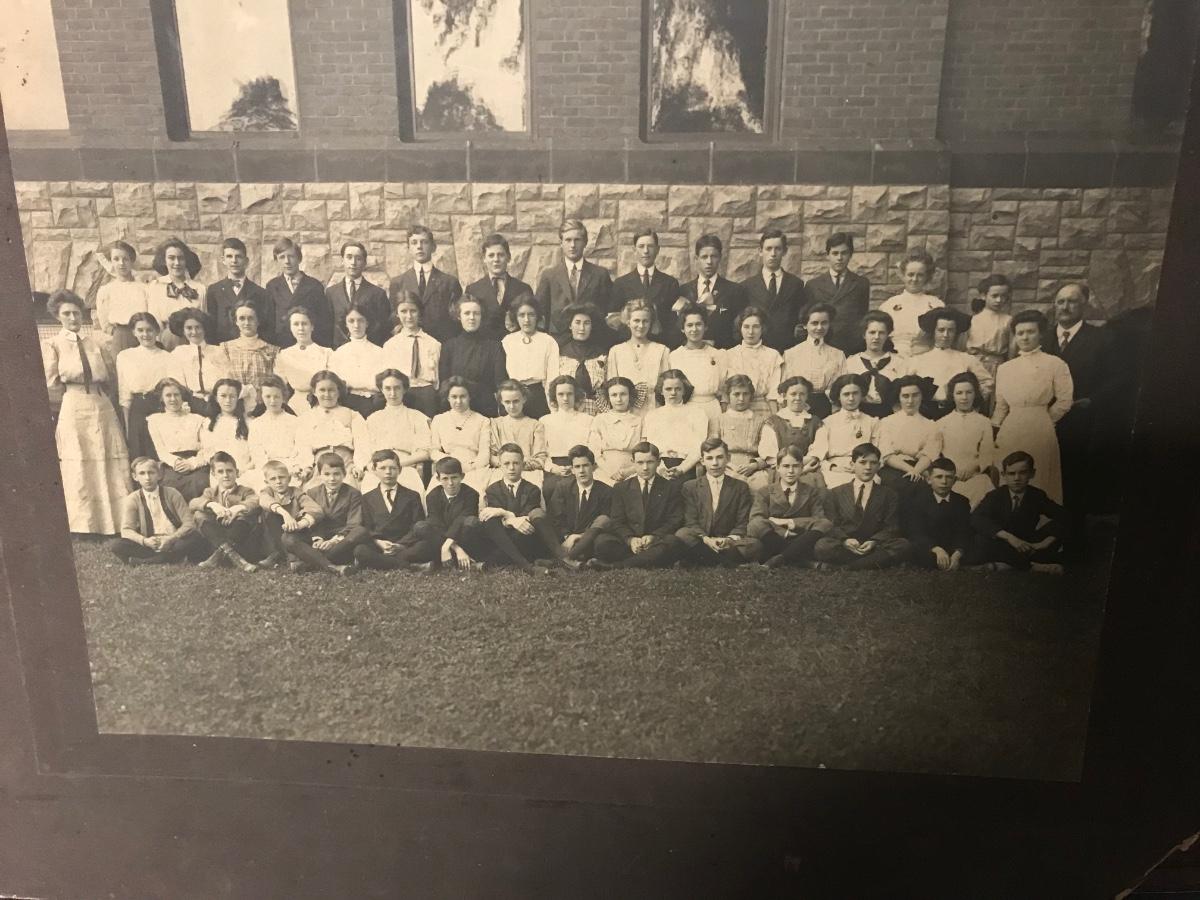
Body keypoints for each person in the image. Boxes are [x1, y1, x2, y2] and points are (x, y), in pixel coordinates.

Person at [43, 289, 130, 534]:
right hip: (74, 403)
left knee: (107, 456)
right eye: (67, 314)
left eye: (76, 313)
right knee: (80, 459)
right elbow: (51, 382)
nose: (73, 318)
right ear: (58, 316)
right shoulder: (52, 344)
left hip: (101, 404)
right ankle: (83, 524)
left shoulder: (96, 343)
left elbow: (110, 375)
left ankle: (117, 521)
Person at [1047, 282, 1114, 545]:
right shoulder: (1042, 336)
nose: (1065, 307)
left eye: (1072, 301)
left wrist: (1092, 400)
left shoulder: (1101, 338)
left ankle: (1071, 541)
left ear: (1085, 305)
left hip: (1079, 421)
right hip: (1043, 420)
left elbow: (1116, 378)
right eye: (1061, 301)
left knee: (1072, 479)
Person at [992, 309, 1073, 504]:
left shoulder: (1055, 364)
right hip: (1011, 429)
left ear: (1041, 334)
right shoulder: (1005, 369)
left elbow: (1064, 401)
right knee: (1010, 476)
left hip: (1040, 428)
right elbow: (1001, 406)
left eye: (1031, 332)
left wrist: (1045, 419)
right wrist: (993, 432)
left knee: (1039, 476)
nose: (1025, 337)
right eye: (1020, 333)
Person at [587, 441, 685, 570]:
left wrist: (654, 536)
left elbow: (674, 519)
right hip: (629, 543)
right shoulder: (621, 488)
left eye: (650, 462)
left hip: (656, 541)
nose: (645, 468)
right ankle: (647, 560)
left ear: (658, 462)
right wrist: (630, 540)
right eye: (640, 462)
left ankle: (617, 565)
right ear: (633, 462)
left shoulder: (670, 488)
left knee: (674, 543)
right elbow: (617, 520)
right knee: (602, 542)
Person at [813, 443, 911, 570]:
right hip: (846, 545)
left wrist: (874, 541)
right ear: (852, 464)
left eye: (873, 463)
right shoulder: (835, 493)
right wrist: (845, 540)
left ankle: (849, 566)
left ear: (879, 466)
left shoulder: (889, 494)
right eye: (863, 462)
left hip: (874, 545)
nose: (868, 467)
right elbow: (831, 524)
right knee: (822, 546)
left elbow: (891, 527)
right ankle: (872, 562)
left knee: (903, 545)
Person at [971, 451, 1066, 575]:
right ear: (1003, 475)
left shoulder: (1037, 495)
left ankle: (1009, 565)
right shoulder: (995, 496)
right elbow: (976, 518)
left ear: (1032, 473)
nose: (1016, 478)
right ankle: (1031, 566)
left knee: (1062, 525)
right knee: (981, 540)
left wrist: (1044, 543)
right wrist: (1010, 538)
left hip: (1028, 545)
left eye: (1023, 473)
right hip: (1003, 544)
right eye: (1011, 474)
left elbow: (1064, 516)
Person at [675, 438, 761, 567]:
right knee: (682, 534)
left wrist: (729, 539)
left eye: (720, 457)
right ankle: (726, 562)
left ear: (728, 458)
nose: (715, 463)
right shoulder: (690, 486)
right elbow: (690, 521)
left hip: (726, 541)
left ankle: (703, 558)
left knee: (755, 544)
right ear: (702, 461)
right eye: (709, 458)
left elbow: (742, 522)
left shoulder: (740, 487)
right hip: (701, 539)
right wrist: (706, 540)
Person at [111, 456, 209, 565]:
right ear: (135, 477)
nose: (147, 478)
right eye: (142, 473)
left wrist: (171, 538)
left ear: (159, 475)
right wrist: (145, 541)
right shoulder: (133, 499)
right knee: (116, 545)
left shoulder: (172, 493)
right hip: (149, 543)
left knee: (195, 537)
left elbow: (189, 523)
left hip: (173, 541)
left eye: (151, 473)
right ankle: (167, 558)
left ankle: (148, 561)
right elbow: (126, 530)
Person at [476, 444, 555, 574]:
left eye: (516, 463)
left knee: (522, 531)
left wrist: (505, 514)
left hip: (525, 538)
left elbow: (526, 519)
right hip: (502, 538)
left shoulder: (532, 489)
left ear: (523, 464)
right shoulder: (492, 490)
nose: (511, 468)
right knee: (491, 522)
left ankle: (490, 564)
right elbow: (495, 520)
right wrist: (510, 519)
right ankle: (528, 566)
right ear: (500, 465)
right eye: (506, 463)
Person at [747, 445, 831, 568]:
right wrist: (784, 532)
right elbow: (756, 520)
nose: (791, 471)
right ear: (778, 468)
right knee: (756, 524)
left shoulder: (810, 491)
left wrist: (790, 522)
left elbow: (819, 519)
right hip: (774, 537)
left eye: (795, 466)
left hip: (803, 536)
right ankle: (803, 562)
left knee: (825, 523)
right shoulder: (765, 491)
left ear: (802, 468)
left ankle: (780, 558)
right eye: (786, 466)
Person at [289, 451, 369, 573]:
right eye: (326, 474)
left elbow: (354, 524)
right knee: (288, 537)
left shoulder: (353, 493)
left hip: (340, 543)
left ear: (344, 474)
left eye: (336, 474)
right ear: (320, 475)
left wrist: (333, 541)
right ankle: (330, 566)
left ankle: (313, 561)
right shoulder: (312, 493)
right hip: (319, 541)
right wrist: (317, 539)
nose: (332, 479)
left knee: (361, 531)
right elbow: (313, 520)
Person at [292, 370, 371, 489]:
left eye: (331, 390)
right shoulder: (307, 417)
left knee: (350, 490)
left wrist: (359, 466)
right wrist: (306, 466)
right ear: (314, 392)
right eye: (322, 390)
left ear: (338, 391)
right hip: (319, 465)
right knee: (312, 491)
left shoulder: (352, 415)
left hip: (345, 464)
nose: (327, 394)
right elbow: (303, 445)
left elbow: (362, 443)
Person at [353, 449, 429, 571]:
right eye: (382, 468)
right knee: (360, 550)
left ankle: (382, 562)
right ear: (374, 470)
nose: (388, 472)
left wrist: (401, 545)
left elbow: (417, 524)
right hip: (380, 546)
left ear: (400, 470)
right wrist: (379, 543)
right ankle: (410, 566)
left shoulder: (412, 495)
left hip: (405, 545)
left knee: (424, 546)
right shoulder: (367, 498)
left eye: (393, 468)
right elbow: (367, 526)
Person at [910, 306, 993, 418]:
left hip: (956, 413)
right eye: (941, 330)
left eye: (951, 330)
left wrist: (971, 402)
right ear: (933, 331)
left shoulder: (967, 359)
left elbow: (987, 382)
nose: (946, 335)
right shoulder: (918, 360)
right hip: (925, 413)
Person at [537, 219, 614, 337]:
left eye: (577, 240)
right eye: (568, 240)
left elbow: (607, 311)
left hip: (591, 340)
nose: (572, 245)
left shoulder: (600, 274)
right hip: (558, 340)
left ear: (585, 242)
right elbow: (540, 313)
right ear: (561, 243)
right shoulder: (549, 275)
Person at [188, 450, 261, 573]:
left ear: (237, 472)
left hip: (240, 537)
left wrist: (236, 509)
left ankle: (216, 557)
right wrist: (212, 505)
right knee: (199, 515)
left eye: (229, 471)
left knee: (248, 514)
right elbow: (193, 503)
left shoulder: (245, 491)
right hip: (217, 536)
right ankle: (236, 558)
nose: (226, 475)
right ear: (214, 474)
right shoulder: (210, 492)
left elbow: (255, 501)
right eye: (220, 472)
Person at [388, 225, 463, 343]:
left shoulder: (449, 282)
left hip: (442, 343)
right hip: (409, 344)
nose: (419, 246)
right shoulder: (398, 283)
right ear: (408, 248)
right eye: (414, 243)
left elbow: (456, 320)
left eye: (424, 242)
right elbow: (394, 318)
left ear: (433, 247)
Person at [364, 369, 431, 499]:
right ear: (381, 389)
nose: (392, 393)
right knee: (369, 490)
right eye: (387, 388)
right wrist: (372, 466)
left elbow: (425, 452)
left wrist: (398, 464)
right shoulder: (373, 419)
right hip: (378, 468)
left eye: (397, 388)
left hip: (405, 467)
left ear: (404, 389)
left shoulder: (417, 417)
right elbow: (365, 449)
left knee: (411, 489)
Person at [544, 444, 613, 569]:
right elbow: (555, 518)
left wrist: (579, 537)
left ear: (594, 467)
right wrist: (567, 536)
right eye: (577, 467)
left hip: (590, 539)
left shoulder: (605, 491)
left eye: (585, 465)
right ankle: (574, 557)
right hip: (567, 539)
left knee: (603, 542)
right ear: (572, 469)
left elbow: (604, 524)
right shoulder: (563, 487)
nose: (581, 471)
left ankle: (564, 560)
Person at [438, 295, 508, 417]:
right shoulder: (449, 347)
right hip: (458, 409)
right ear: (459, 316)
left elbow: (500, 384)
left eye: (476, 313)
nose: (472, 317)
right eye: (467, 313)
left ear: (481, 316)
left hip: (485, 409)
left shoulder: (494, 347)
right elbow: (445, 385)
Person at [934, 372, 996, 510]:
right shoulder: (941, 423)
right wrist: (951, 471)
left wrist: (974, 467)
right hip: (949, 476)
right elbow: (936, 454)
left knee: (984, 488)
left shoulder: (984, 422)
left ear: (975, 394)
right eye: (959, 393)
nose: (964, 397)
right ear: (952, 395)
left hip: (975, 475)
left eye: (969, 392)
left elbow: (987, 453)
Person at [116, 311, 174, 460]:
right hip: (138, 409)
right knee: (139, 454)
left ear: (157, 331)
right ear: (134, 332)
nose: (145, 334)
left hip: (161, 407)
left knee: (160, 453)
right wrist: (128, 427)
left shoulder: (168, 357)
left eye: (149, 330)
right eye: (140, 330)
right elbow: (124, 395)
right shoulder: (125, 356)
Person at [807, 373, 880, 490]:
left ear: (862, 395)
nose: (851, 398)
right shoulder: (827, 423)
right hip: (835, 470)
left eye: (855, 393)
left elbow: (879, 453)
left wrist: (865, 466)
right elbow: (818, 455)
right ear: (838, 397)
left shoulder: (872, 422)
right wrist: (833, 467)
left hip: (865, 469)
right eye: (846, 394)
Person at [876, 374, 942, 505]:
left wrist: (916, 471)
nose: (910, 401)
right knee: (898, 485)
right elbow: (887, 454)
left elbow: (929, 454)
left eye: (915, 395)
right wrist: (910, 471)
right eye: (905, 396)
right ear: (899, 398)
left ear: (922, 396)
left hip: (919, 468)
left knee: (922, 487)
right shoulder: (886, 422)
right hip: (892, 468)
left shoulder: (931, 425)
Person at [801, 232, 871, 353]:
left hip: (852, 346)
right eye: (835, 253)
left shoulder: (861, 284)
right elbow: (808, 320)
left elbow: (863, 317)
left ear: (850, 255)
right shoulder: (813, 285)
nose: (839, 258)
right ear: (828, 255)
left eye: (844, 253)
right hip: (823, 346)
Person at [610, 229, 681, 346]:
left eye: (650, 246)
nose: (646, 251)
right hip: (630, 346)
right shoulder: (621, 284)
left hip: (660, 345)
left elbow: (673, 323)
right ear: (634, 250)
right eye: (641, 246)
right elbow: (615, 322)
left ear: (657, 250)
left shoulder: (669, 283)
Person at [677, 234, 747, 350]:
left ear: (720, 258)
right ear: (696, 259)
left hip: (723, 352)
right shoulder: (684, 290)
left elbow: (739, 329)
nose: (709, 261)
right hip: (691, 352)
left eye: (713, 256)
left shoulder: (734, 291)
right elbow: (678, 327)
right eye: (704, 257)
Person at [740, 228, 804, 352]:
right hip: (757, 349)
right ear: (760, 251)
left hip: (787, 349)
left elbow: (800, 320)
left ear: (784, 251)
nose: (773, 254)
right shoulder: (747, 286)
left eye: (778, 249)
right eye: (768, 249)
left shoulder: (796, 284)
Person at [146, 377, 210, 500]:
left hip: (196, 463)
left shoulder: (197, 419)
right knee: (169, 486)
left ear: (182, 396)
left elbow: (206, 448)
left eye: (176, 395)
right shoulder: (155, 420)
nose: (173, 399)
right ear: (162, 398)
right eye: (168, 395)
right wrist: (176, 463)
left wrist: (192, 463)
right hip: (171, 465)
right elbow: (161, 450)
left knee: (200, 482)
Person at [605, 298, 671, 418]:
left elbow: (667, 387)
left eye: (645, 321)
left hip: (654, 410)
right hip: (625, 411)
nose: (641, 325)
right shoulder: (616, 351)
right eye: (636, 320)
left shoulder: (662, 350)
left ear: (651, 323)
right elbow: (612, 386)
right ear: (628, 322)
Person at [906, 457, 974, 571]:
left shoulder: (961, 502)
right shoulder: (918, 501)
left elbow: (964, 531)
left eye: (949, 477)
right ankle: (961, 565)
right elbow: (916, 531)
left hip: (953, 548)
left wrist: (958, 553)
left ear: (954, 480)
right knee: (914, 549)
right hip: (930, 548)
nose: (944, 482)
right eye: (939, 477)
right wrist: (937, 549)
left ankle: (957, 562)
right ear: (929, 479)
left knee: (977, 544)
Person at [265, 238, 333, 348]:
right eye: (282, 257)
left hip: (308, 347)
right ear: (276, 261)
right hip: (282, 346)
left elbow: (323, 324)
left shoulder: (314, 286)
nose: (287, 261)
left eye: (291, 256)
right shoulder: (272, 286)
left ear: (299, 258)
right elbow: (268, 324)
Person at [256, 459, 324, 569]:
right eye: (273, 479)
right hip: (274, 534)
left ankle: (288, 557)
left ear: (289, 478)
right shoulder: (267, 492)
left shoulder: (296, 492)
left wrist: (299, 524)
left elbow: (316, 509)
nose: (278, 481)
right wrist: (285, 514)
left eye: (282, 477)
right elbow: (264, 500)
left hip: (293, 532)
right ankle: (280, 555)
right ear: (267, 482)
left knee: (294, 534)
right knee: (270, 514)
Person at [840, 310, 909, 419]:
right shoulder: (851, 362)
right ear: (864, 334)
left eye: (881, 333)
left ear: (887, 335)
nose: (876, 337)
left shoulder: (899, 362)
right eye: (872, 332)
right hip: (858, 415)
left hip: (889, 415)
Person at [382, 290, 441, 418]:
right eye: (403, 311)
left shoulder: (433, 343)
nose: (409, 316)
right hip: (402, 394)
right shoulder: (391, 345)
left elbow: (437, 377)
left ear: (419, 312)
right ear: (397, 313)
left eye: (413, 311)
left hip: (427, 396)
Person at [464, 233, 533, 340]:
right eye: (491, 255)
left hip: (515, 345)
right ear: (484, 259)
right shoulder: (473, 290)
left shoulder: (523, 289)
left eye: (500, 255)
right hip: (485, 346)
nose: (496, 259)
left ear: (508, 257)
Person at [642, 369, 709, 480]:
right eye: (668, 389)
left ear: (684, 390)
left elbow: (699, 447)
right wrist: (660, 469)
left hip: (687, 466)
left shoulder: (697, 413)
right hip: (658, 466)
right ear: (661, 391)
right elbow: (651, 446)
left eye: (678, 389)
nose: (673, 393)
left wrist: (681, 469)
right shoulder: (652, 415)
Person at [206, 237, 274, 344]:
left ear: (246, 261)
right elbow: (210, 327)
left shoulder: (260, 293)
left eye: (238, 256)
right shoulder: (214, 291)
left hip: (250, 347)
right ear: (223, 260)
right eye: (229, 256)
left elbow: (265, 327)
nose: (234, 261)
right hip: (222, 347)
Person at [423, 456, 485, 571]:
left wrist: (447, 546)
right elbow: (436, 524)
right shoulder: (432, 496)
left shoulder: (471, 494)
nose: (450, 483)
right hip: (441, 540)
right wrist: (455, 548)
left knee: (471, 522)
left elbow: (462, 519)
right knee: (421, 527)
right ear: (438, 479)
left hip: (464, 538)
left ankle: (453, 560)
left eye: (454, 477)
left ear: (462, 476)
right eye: (445, 479)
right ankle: (461, 560)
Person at [482, 381, 547, 492]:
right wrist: (506, 465)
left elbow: (540, 458)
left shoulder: (535, 425)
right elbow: (492, 455)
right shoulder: (496, 424)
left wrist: (520, 466)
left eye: (516, 401)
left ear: (524, 399)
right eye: (507, 402)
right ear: (501, 402)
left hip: (528, 472)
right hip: (501, 471)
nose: (512, 406)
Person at [782, 303, 844, 418]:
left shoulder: (838, 354)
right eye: (814, 323)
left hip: (826, 407)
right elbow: (785, 387)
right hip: (798, 405)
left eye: (824, 323)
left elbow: (841, 386)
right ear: (805, 325)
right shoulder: (791, 354)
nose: (819, 327)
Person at [501, 295, 559, 419]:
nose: (526, 320)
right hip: (513, 396)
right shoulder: (508, 341)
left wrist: (553, 407)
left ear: (537, 316)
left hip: (538, 396)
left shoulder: (548, 341)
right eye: (522, 315)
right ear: (516, 317)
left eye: (531, 315)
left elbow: (552, 377)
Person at [761, 376, 824, 488]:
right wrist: (790, 468)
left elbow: (818, 451)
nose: (798, 398)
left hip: (808, 469)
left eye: (802, 394)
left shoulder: (815, 422)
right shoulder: (773, 422)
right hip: (780, 470)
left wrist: (801, 469)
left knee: (811, 486)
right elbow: (769, 453)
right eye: (793, 394)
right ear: (784, 395)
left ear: (807, 396)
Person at [669, 304, 725, 426]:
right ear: (682, 328)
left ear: (706, 327)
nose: (694, 329)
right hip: (685, 409)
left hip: (712, 409)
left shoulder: (717, 355)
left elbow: (723, 388)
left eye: (699, 324)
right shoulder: (674, 356)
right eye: (689, 325)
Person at [541, 375, 595, 504]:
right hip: (555, 467)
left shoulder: (588, 420)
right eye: (561, 394)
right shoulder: (545, 421)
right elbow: (542, 451)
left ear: (575, 395)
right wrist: (553, 468)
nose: (565, 398)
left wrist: (577, 468)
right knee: (550, 488)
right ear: (554, 396)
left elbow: (593, 448)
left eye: (569, 394)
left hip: (582, 466)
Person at [217, 300, 279, 412]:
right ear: (236, 321)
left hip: (262, 406)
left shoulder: (272, 350)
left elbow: (275, 383)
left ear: (258, 321)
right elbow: (224, 381)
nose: (246, 323)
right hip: (234, 406)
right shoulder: (226, 348)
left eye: (251, 318)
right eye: (242, 318)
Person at [244, 375, 304, 491]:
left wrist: (293, 466)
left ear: (283, 396)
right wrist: (268, 469)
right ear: (262, 397)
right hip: (266, 468)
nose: (272, 401)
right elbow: (257, 452)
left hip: (289, 467)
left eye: (276, 396)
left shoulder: (294, 421)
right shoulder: (256, 424)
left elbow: (300, 447)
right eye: (268, 396)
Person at [714, 374, 774, 489]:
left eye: (745, 394)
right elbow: (713, 449)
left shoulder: (761, 420)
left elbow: (769, 451)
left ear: (751, 396)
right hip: (726, 467)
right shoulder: (719, 420)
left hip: (754, 469)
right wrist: (727, 465)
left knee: (761, 484)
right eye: (736, 394)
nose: (741, 399)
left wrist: (755, 465)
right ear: (728, 396)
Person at [326, 241, 391, 347]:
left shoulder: (377, 294)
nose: (353, 262)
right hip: (339, 352)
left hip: (368, 351)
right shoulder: (331, 293)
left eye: (358, 258)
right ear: (342, 260)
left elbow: (384, 329)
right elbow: (327, 328)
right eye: (349, 257)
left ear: (365, 262)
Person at [881, 248, 942, 358]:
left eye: (920, 275)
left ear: (927, 277)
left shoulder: (936, 305)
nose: (914, 279)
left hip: (926, 359)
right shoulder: (889, 305)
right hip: (894, 359)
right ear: (903, 275)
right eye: (910, 274)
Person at [429, 377, 492, 484]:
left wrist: (471, 467)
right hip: (447, 469)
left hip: (474, 469)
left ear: (470, 397)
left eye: (463, 396)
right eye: (454, 397)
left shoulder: (483, 421)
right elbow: (433, 451)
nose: (458, 401)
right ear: (448, 398)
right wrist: (449, 463)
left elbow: (484, 454)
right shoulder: (439, 419)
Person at [148, 238, 206, 351]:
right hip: (167, 340)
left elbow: (203, 321)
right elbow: (154, 320)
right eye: (171, 258)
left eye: (181, 258)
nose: (177, 263)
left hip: (193, 340)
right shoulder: (156, 287)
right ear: (164, 260)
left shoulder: (199, 288)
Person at [329, 304, 387, 417]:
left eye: (360, 320)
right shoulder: (339, 353)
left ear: (367, 323)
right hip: (347, 403)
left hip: (375, 403)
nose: (356, 325)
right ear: (346, 324)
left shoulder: (379, 352)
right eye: (351, 321)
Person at [723, 306, 782, 415]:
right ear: (740, 328)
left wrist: (775, 419)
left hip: (762, 409)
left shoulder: (773, 355)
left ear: (763, 328)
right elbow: (724, 394)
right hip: (735, 409)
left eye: (756, 327)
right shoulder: (729, 355)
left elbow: (773, 394)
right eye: (746, 327)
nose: (750, 332)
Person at [275, 306, 332, 414]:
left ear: (312, 326)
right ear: (290, 327)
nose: (300, 328)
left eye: (304, 323)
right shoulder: (284, 354)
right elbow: (278, 385)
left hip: (323, 403)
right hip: (295, 406)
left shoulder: (326, 353)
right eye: (296, 324)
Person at [554, 303, 609, 415]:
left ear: (592, 326)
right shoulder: (560, 353)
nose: (582, 328)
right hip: (568, 410)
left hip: (597, 411)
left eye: (586, 323)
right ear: (570, 325)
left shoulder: (602, 354)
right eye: (577, 322)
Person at [95, 240, 148, 354]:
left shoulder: (144, 288)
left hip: (145, 334)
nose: (121, 263)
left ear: (131, 261)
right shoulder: (106, 290)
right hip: (121, 336)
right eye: (116, 259)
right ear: (111, 262)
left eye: (125, 259)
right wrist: (117, 333)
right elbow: (104, 320)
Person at [167, 307, 227, 409]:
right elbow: (176, 383)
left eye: (198, 327)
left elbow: (225, 378)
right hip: (189, 404)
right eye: (189, 328)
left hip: (217, 402)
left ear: (204, 329)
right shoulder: (178, 354)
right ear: (183, 330)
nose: (194, 332)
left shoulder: (218, 351)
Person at [588, 377, 644, 485]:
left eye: (623, 394)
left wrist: (630, 471)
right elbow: (594, 451)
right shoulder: (600, 420)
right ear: (608, 397)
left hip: (633, 472)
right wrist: (610, 471)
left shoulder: (639, 420)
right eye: (614, 395)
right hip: (604, 472)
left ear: (630, 395)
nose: (619, 399)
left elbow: (643, 452)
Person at [965, 274, 1014, 385]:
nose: (999, 300)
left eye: (1003, 296)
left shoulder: (1008, 320)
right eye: (994, 296)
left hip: (997, 366)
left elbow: (1011, 350)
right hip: (974, 365)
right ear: (983, 296)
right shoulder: (973, 320)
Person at [199, 378, 252, 475]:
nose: (228, 400)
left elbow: (256, 456)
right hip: (220, 475)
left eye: (232, 396)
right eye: (223, 396)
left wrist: (242, 471)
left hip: (245, 473)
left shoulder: (249, 423)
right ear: (216, 398)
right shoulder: (208, 423)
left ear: (238, 398)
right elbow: (207, 454)